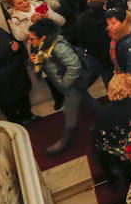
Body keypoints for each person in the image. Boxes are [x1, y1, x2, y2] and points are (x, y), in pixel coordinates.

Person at [27, 19, 99, 155]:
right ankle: (105, 119)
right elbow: (46, 63)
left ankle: (64, 141)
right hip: (71, 86)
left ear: (42, 37)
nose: (30, 42)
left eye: (32, 39)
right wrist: (35, 61)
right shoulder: (44, 46)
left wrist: (64, 83)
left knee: (69, 112)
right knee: (89, 102)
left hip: (72, 87)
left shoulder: (58, 47)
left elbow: (74, 66)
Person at [72, 0, 114, 85]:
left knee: (107, 77)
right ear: (104, 5)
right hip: (111, 50)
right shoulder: (108, 18)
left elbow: (80, 39)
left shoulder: (81, 20)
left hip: (96, 55)